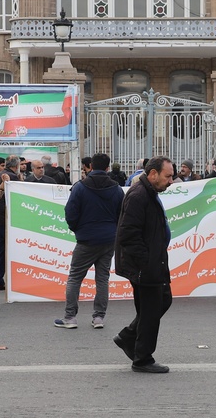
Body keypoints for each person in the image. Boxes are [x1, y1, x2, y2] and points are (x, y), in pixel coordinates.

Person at [113, 156, 176, 374]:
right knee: (150, 311)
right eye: (167, 176)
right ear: (152, 174)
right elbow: (128, 234)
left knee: (162, 301)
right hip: (145, 266)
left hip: (152, 262)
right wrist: (146, 263)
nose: (171, 181)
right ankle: (142, 359)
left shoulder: (149, 193)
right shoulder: (139, 195)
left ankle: (128, 337)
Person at [55, 152, 124, 329]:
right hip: (109, 240)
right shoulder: (116, 189)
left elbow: (70, 213)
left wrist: (78, 229)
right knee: (102, 278)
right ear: (108, 168)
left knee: (75, 277)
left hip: (86, 240)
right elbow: (122, 215)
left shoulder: (80, 187)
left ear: (90, 166)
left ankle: (70, 318)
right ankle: (99, 318)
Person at [0, 155, 21, 292]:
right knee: (10, 250)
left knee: (0, 250)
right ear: (16, 166)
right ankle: (7, 280)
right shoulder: (13, 178)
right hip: (7, 218)